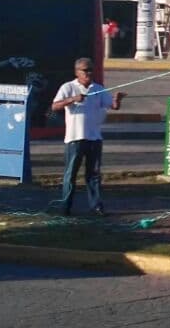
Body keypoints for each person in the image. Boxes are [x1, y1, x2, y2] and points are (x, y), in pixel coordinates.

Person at [51, 57, 126, 217]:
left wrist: (117, 100)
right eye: (85, 70)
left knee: (93, 175)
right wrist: (72, 99)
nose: (89, 73)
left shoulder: (97, 88)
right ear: (77, 72)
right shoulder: (68, 87)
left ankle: (96, 206)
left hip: (94, 138)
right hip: (75, 138)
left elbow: (113, 106)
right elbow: (55, 105)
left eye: (91, 70)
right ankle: (65, 207)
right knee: (70, 174)